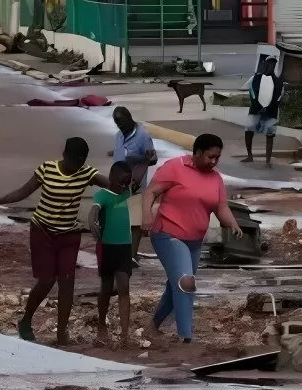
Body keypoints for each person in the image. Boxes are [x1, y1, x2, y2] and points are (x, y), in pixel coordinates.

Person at [0, 137, 110, 345]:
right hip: (43, 231)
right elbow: (23, 192)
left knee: (67, 283)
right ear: (65, 155)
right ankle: (26, 320)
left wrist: (128, 181)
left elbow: (112, 184)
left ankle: (61, 334)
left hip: (69, 235)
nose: (78, 165)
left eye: (82, 161)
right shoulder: (47, 169)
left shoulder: (86, 173)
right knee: (47, 280)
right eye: (75, 160)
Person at [141, 134, 243, 343]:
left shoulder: (215, 178)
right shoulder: (174, 167)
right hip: (168, 235)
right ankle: (185, 337)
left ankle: (153, 325)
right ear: (197, 152)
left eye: (217, 157)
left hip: (195, 242)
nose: (214, 161)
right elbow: (150, 192)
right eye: (210, 156)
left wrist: (232, 223)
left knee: (176, 286)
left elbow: (221, 206)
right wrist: (146, 215)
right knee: (185, 282)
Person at [89, 162, 133, 347]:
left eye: (127, 183)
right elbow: (94, 210)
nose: (124, 186)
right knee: (106, 288)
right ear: (111, 178)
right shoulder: (103, 195)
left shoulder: (127, 193)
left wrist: (146, 161)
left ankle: (125, 334)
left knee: (124, 287)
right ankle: (101, 323)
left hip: (124, 248)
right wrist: (92, 221)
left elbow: (138, 176)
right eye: (121, 182)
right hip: (106, 247)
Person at [108, 106, 156, 268]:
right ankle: (121, 253)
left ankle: (132, 256)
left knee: (135, 222)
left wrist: (140, 161)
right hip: (118, 184)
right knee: (120, 219)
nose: (119, 125)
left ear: (129, 118)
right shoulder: (118, 135)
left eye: (121, 122)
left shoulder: (142, 136)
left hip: (135, 184)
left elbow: (153, 158)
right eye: (116, 122)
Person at [243, 57, 283, 168]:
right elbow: (252, 92)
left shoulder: (278, 81)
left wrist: (268, 108)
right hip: (255, 110)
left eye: (273, 64)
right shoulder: (256, 77)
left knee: (270, 135)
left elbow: (278, 97)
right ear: (265, 64)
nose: (271, 66)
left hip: (271, 112)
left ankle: (268, 161)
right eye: (269, 63)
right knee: (248, 131)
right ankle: (249, 156)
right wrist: (258, 106)